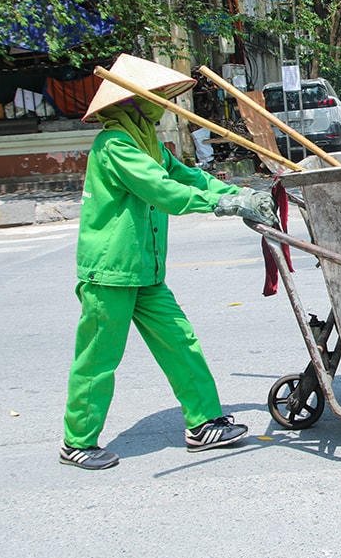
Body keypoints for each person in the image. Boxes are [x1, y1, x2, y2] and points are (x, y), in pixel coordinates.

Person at [60, 54, 280, 470]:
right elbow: (162, 191)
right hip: (110, 272)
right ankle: (76, 440)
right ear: (132, 102)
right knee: (98, 358)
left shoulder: (149, 143)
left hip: (146, 270)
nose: (163, 103)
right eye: (156, 96)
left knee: (180, 341)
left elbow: (188, 177)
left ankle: (202, 423)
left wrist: (238, 193)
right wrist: (223, 205)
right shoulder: (115, 145)